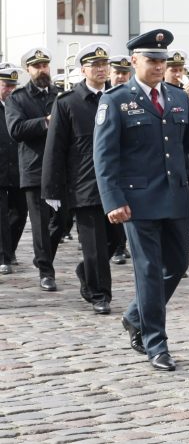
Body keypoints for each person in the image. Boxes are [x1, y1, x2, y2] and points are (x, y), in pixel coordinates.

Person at [93, 29, 189, 371]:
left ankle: (136, 315)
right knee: (147, 271)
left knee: (177, 265)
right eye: (152, 60)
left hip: (176, 197)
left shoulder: (177, 97)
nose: (159, 66)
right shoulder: (116, 99)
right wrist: (112, 200)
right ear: (134, 61)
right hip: (137, 200)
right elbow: (104, 157)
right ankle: (156, 343)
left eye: (163, 60)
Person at [42, 43, 122, 314]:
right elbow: (55, 148)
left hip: (118, 184)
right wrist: (52, 189)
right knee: (95, 244)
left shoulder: (117, 97)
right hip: (84, 184)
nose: (101, 69)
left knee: (115, 239)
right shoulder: (68, 103)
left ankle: (87, 271)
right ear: (83, 69)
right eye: (94, 65)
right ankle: (100, 294)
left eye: (104, 64)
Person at [4, 47, 65, 291]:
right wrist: (46, 122)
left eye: (45, 65)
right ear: (28, 70)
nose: (42, 70)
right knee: (39, 223)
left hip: (60, 169)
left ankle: (43, 255)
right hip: (34, 168)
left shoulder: (60, 95)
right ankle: (46, 271)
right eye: (37, 66)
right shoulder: (17, 98)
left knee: (61, 220)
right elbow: (16, 130)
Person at [164, 51, 189, 225]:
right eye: (174, 70)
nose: (179, 74)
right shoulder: (162, 95)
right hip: (169, 164)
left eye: (181, 70)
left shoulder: (187, 96)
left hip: (188, 165)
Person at [0, 66, 28, 275]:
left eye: (13, 86)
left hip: (18, 168)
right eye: (6, 85)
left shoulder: (18, 105)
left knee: (19, 212)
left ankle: (10, 249)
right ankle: (4, 256)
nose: (10, 89)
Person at [108, 55, 134, 264]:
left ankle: (120, 246)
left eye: (125, 73)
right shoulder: (109, 97)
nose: (121, 77)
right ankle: (114, 248)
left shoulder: (134, 96)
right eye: (117, 72)